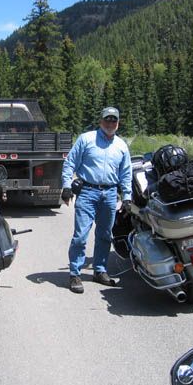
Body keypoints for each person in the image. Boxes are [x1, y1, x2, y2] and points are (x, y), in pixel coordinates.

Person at [61, 106, 132, 294]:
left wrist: (127, 197)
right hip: (87, 192)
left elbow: (126, 174)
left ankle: (99, 271)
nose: (110, 123)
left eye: (114, 120)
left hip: (109, 195)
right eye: (107, 120)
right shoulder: (86, 139)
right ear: (101, 121)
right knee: (81, 235)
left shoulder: (121, 146)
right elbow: (70, 163)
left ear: (118, 123)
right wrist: (66, 186)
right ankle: (75, 273)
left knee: (105, 235)